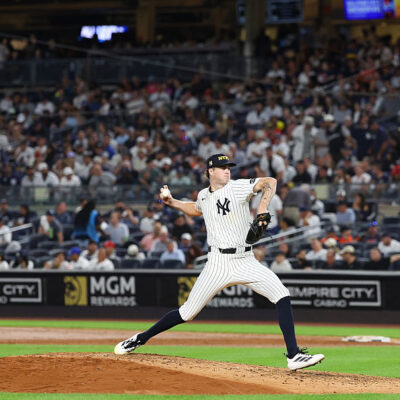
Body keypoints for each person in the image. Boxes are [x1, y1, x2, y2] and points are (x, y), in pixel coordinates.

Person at [114, 153, 324, 371]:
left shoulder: (238, 188)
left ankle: (293, 355)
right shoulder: (204, 195)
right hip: (217, 263)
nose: (227, 170)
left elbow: (270, 182)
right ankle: (140, 338)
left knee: (281, 294)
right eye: (222, 167)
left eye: (228, 167)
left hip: (245, 259)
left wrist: (262, 208)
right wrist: (172, 202)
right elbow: (195, 209)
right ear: (210, 172)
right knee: (187, 312)